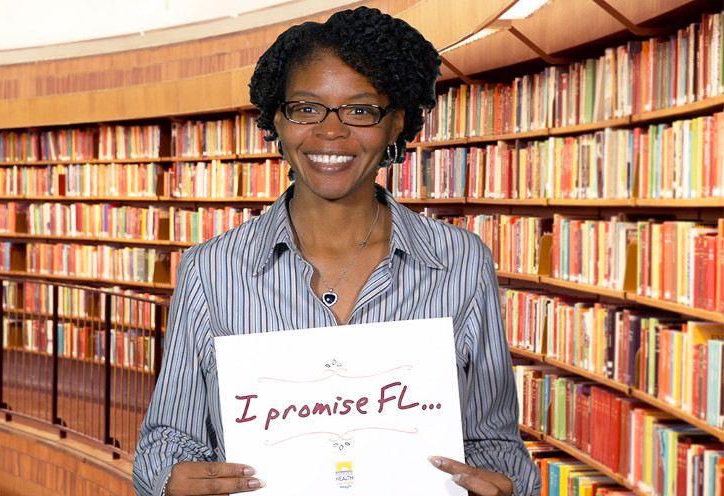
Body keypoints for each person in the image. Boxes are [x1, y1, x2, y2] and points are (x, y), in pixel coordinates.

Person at [133, 6, 541, 496]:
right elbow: (166, 440)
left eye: (361, 110)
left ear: (396, 124)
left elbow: (494, 441)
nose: (331, 131)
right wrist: (166, 481)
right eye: (306, 108)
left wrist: (504, 486)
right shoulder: (211, 269)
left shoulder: (461, 261)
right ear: (277, 122)